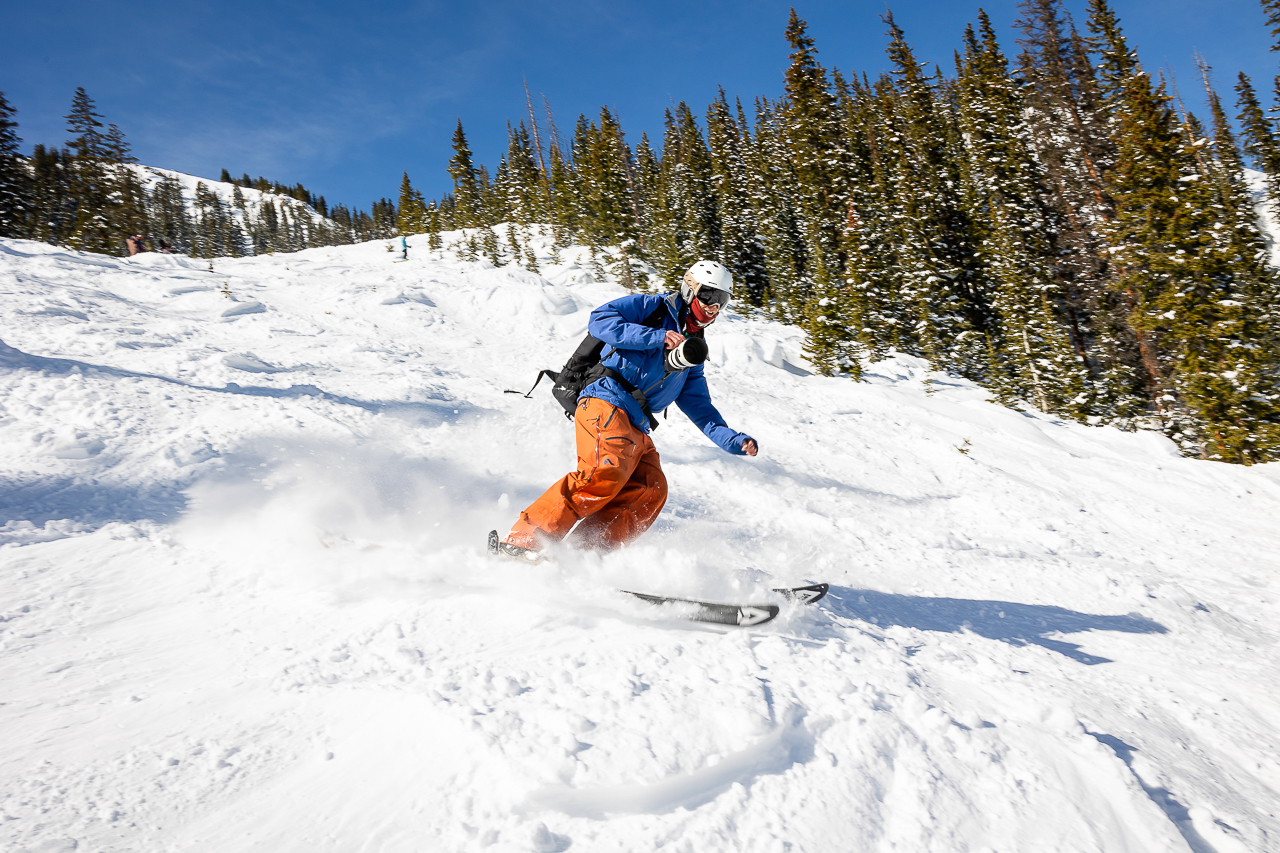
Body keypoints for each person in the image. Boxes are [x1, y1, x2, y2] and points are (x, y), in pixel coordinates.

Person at [496, 260, 758, 560]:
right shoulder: (654, 308)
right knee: (603, 472)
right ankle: (524, 542)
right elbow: (601, 320)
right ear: (690, 290)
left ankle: (583, 554)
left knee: (650, 489)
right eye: (709, 296)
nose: (713, 307)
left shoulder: (692, 351)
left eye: (721, 301)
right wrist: (657, 337)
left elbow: (700, 407)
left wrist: (733, 440)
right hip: (605, 400)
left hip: (637, 423)